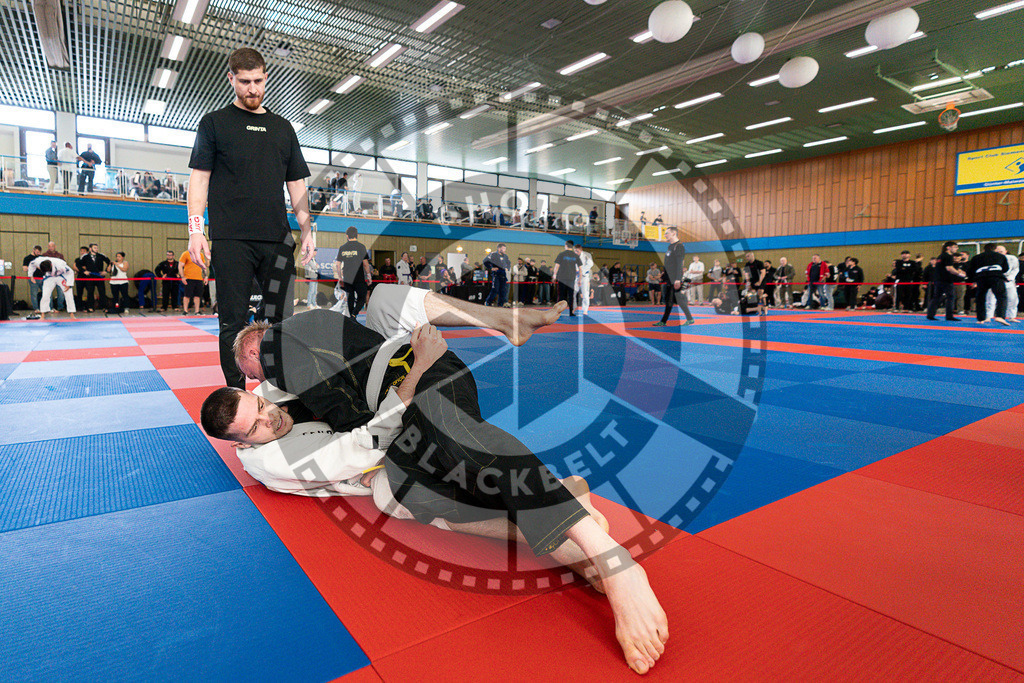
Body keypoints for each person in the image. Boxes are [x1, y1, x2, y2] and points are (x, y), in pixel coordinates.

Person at [219, 285, 666, 674]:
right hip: (404, 403)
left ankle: (612, 561)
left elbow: (356, 416)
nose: (266, 403)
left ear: (255, 354)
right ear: (242, 444)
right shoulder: (271, 446)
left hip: (423, 379)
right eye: (256, 410)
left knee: (450, 441)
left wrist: (411, 368)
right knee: (413, 492)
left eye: (255, 382)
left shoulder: (284, 353)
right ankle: (570, 538)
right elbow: (359, 444)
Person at [187, 47, 314, 388]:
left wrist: (307, 228)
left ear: (266, 77)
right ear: (231, 79)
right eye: (244, 82)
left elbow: (296, 183)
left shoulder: (282, 128)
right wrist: (195, 230)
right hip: (231, 240)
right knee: (232, 322)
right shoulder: (214, 123)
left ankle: (277, 392)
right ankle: (236, 394)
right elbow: (199, 179)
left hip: (277, 240)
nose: (252, 89)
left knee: (280, 321)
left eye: (258, 80)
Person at [653, 226, 694, 327]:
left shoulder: (679, 246)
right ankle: (689, 318)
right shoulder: (670, 246)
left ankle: (664, 321)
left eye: (667, 233)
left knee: (671, 299)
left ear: (673, 234)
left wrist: (678, 279)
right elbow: (669, 263)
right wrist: (664, 274)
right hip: (669, 277)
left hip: (674, 278)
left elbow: (679, 263)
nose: (665, 235)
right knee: (675, 299)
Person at [968, 243, 1010, 325]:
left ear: (984, 249)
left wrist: (973, 280)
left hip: (981, 277)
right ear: (995, 249)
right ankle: (1000, 316)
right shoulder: (1000, 256)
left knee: (980, 298)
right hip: (996, 276)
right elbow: (1005, 269)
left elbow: (970, 271)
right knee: (1001, 296)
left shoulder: (976, 257)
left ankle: (980, 319)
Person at [335, 226, 372, 316]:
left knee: (350, 297)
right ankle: (354, 314)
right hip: (358, 277)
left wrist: (340, 277)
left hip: (347, 277)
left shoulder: (342, 247)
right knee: (362, 297)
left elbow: (338, 264)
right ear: (357, 235)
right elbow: (366, 264)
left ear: (347, 236)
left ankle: (352, 316)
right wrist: (369, 276)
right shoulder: (361, 247)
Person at [926, 242, 965, 322]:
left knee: (936, 297)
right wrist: (959, 274)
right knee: (950, 297)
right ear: (948, 247)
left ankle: (930, 314)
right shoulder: (948, 256)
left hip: (938, 280)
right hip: (946, 280)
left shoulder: (941, 256)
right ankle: (949, 316)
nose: (956, 249)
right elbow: (949, 268)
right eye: (955, 247)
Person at [985, 245, 1019, 323]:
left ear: (1005, 251)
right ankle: (988, 316)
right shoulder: (991, 259)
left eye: (1001, 251)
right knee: (990, 299)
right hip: (995, 279)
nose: (999, 253)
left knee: (1013, 299)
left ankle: (1011, 316)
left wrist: (1010, 278)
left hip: (1009, 280)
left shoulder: (1012, 258)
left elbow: (1016, 269)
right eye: (997, 252)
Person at [552, 240, 582, 317]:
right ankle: (571, 312)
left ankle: (557, 312)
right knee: (571, 296)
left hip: (562, 277)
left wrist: (554, 275)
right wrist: (580, 279)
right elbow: (580, 268)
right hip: (571, 278)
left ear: (566, 245)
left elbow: (557, 266)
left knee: (560, 295)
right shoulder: (576, 256)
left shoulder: (561, 254)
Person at [79, 243, 110, 312]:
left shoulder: (101, 256)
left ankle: (104, 307)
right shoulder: (85, 256)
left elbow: (109, 262)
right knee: (90, 292)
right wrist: (84, 271)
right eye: (95, 248)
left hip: (99, 276)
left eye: (97, 248)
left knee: (102, 292)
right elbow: (78, 265)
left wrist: (106, 271)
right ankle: (90, 307)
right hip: (90, 277)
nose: (96, 249)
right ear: (90, 249)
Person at [179, 248, 208, 315]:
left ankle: (197, 311)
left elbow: (203, 266)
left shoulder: (201, 255)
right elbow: (180, 265)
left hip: (198, 278)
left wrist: (205, 276)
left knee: (198, 295)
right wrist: (182, 276)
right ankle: (185, 311)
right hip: (189, 278)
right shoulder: (186, 254)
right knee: (187, 295)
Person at [22, 245, 43, 317]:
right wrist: (32, 267)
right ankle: (36, 308)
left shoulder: (40, 258)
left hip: (42, 277)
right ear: (33, 250)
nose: (38, 253)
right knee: (34, 293)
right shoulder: (27, 258)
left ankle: (48, 307)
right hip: (33, 277)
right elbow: (24, 268)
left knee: (47, 292)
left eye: (39, 252)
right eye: (37, 252)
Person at [575, 244, 594, 314]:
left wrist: (581, 271)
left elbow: (590, 264)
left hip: (584, 277)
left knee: (585, 294)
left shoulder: (586, 255)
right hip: (576, 277)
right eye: (575, 251)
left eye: (577, 251)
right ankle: (573, 308)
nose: (576, 252)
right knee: (573, 292)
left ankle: (585, 310)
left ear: (581, 250)